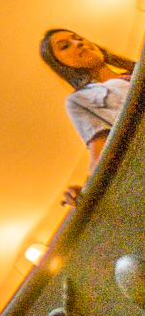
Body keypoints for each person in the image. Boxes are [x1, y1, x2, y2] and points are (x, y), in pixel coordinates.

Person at [41, 28, 135, 200]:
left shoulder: (137, 69)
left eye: (78, 38)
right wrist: (85, 190)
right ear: (60, 64)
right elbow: (100, 153)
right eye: (64, 46)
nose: (78, 43)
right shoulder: (79, 100)